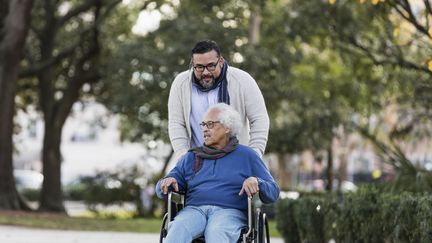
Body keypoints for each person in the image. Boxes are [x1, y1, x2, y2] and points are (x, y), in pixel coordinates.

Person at [156, 103, 279, 243]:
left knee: (216, 231)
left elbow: (273, 192)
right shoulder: (192, 157)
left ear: (227, 127)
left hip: (229, 212)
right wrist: (166, 182)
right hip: (194, 211)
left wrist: (257, 182)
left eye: (210, 124)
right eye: (203, 124)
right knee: (178, 228)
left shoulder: (247, 156)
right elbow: (161, 189)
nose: (204, 130)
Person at [168, 39, 269, 160]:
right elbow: (176, 123)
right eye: (199, 67)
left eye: (211, 66)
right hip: (197, 163)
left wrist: (255, 153)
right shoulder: (180, 84)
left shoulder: (243, 80)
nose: (205, 72)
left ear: (220, 61)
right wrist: (183, 156)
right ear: (192, 64)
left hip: (237, 161)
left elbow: (259, 119)